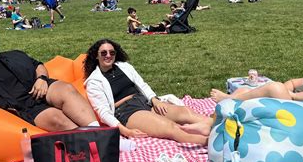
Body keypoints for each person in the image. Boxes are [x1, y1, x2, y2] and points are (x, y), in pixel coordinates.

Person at [0, 22, 99, 132]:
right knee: (56, 118)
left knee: (66, 88)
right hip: (25, 108)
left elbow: (38, 65)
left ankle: (99, 131)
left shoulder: (13, 56)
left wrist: (42, 79)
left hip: (40, 88)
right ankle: (93, 139)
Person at [83, 39, 211, 144]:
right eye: (104, 53)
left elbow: (142, 85)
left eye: (112, 52)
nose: (108, 55)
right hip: (126, 111)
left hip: (144, 101)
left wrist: (154, 100)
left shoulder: (124, 67)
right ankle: (210, 142)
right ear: (96, 55)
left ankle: (219, 127)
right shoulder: (94, 81)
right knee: (171, 127)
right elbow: (103, 112)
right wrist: (125, 131)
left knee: (185, 113)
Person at [211, 41, 303, 104]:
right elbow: (294, 82)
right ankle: (209, 121)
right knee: (244, 89)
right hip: (288, 102)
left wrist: (292, 95)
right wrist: (286, 90)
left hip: (297, 113)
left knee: (274, 87)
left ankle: (229, 101)